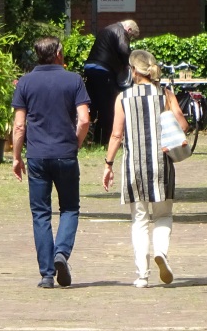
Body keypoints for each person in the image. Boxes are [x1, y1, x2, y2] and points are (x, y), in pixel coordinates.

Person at [102, 49, 188, 288]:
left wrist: (108, 164)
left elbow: (117, 134)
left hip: (134, 166)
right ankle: (161, 252)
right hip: (162, 164)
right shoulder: (165, 94)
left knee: (139, 220)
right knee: (163, 214)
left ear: (133, 71)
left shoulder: (123, 98)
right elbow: (182, 123)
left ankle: (142, 275)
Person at [11, 36, 91, 289]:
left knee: (40, 214)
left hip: (36, 156)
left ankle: (46, 274)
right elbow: (84, 120)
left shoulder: (25, 82)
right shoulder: (73, 80)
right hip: (65, 153)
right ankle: (61, 253)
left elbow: (19, 125)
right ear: (57, 53)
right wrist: (75, 143)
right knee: (69, 208)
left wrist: (15, 157)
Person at [83, 19, 140, 146]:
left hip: (90, 67)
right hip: (104, 70)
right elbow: (124, 49)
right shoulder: (120, 31)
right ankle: (104, 141)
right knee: (108, 106)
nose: (129, 38)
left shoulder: (108, 28)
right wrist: (131, 64)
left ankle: (92, 139)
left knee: (94, 105)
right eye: (131, 37)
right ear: (129, 30)